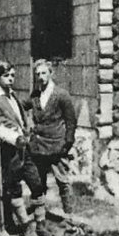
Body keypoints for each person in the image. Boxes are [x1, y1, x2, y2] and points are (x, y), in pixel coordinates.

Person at [0, 62, 38, 234]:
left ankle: (36, 223)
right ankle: (22, 225)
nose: (11, 79)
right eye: (6, 76)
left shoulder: (13, 96)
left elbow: (20, 117)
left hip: (24, 144)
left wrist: (26, 130)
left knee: (36, 182)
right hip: (9, 147)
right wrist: (12, 131)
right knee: (12, 186)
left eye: (12, 75)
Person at [27, 59, 78, 211]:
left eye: (44, 73)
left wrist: (67, 143)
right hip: (39, 146)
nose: (41, 77)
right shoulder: (35, 95)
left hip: (57, 145)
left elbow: (71, 120)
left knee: (62, 181)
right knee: (38, 181)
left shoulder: (61, 95)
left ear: (51, 74)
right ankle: (40, 214)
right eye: (38, 74)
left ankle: (69, 214)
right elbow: (21, 105)